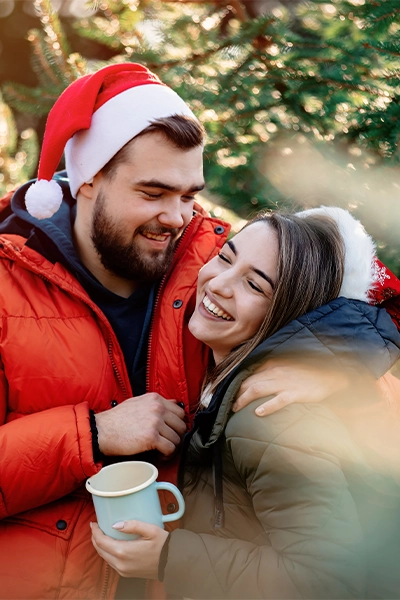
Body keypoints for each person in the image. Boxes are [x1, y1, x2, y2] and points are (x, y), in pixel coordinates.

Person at [91, 207, 400, 599]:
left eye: (255, 286)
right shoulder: (224, 383)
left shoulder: (272, 415)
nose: (219, 283)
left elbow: (327, 582)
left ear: (288, 314)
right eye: (225, 258)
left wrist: (170, 557)